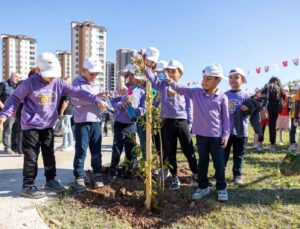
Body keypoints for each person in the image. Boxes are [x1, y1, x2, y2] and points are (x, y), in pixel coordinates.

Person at [0, 52, 107, 199]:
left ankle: (51, 180)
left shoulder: (58, 82)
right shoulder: (29, 83)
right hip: (31, 125)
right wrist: (4, 115)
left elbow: (77, 92)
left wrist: (95, 98)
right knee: (31, 156)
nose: (51, 78)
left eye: (53, 74)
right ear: (40, 70)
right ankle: (28, 185)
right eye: (48, 75)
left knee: (49, 154)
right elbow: (15, 98)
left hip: (47, 125)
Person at [166, 63, 230, 201]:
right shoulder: (196, 93)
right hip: (201, 136)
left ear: (217, 80)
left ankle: (221, 187)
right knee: (202, 163)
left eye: (208, 79)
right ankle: (203, 187)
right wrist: (169, 80)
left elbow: (226, 119)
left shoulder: (222, 97)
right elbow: (179, 88)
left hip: (216, 137)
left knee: (219, 163)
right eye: (204, 78)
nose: (204, 81)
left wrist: (225, 135)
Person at [145, 60, 198, 191]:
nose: (170, 74)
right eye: (168, 71)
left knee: (189, 150)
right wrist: (146, 65)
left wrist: (190, 123)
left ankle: (196, 175)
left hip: (181, 121)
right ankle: (174, 177)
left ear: (180, 73)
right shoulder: (161, 85)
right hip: (166, 122)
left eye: (173, 71)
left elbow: (188, 106)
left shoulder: (184, 87)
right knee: (170, 152)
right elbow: (150, 76)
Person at [72, 57, 107, 192]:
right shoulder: (77, 82)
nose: (94, 76)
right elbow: (75, 100)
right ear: (84, 70)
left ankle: (97, 174)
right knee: (81, 151)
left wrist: (102, 98)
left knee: (96, 151)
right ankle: (79, 177)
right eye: (92, 73)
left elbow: (100, 100)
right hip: (82, 122)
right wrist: (95, 99)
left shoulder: (97, 84)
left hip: (96, 121)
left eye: (96, 74)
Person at [109, 64, 146, 180]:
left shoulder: (141, 92)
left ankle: (129, 171)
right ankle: (113, 171)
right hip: (119, 124)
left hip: (131, 124)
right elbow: (114, 101)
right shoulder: (121, 88)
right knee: (117, 148)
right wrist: (121, 105)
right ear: (129, 75)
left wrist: (135, 111)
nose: (138, 79)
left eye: (140, 77)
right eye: (135, 76)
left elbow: (143, 109)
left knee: (131, 149)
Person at [224, 67, 249, 185]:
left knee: (238, 155)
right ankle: (220, 173)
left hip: (241, 131)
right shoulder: (224, 95)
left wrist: (248, 108)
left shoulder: (246, 96)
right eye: (231, 77)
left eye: (237, 77)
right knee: (223, 154)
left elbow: (253, 109)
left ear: (242, 80)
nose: (233, 80)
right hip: (226, 132)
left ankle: (237, 175)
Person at [257, 77, 286, 151]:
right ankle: (272, 145)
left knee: (262, 126)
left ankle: (260, 144)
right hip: (275, 109)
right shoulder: (280, 88)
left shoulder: (267, 86)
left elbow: (259, 94)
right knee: (272, 127)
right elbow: (284, 98)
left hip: (266, 109)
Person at [0, 72, 20, 154]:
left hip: (16, 112)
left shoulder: (18, 87)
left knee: (16, 130)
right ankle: (7, 147)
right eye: (15, 76)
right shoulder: (3, 84)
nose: (17, 78)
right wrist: (4, 108)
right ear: (10, 77)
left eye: (18, 77)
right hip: (5, 112)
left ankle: (14, 147)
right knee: (8, 129)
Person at [56, 78, 74, 151]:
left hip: (67, 112)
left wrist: (61, 112)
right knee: (65, 128)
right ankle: (65, 144)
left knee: (67, 129)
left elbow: (65, 102)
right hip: (66, 112)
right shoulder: (65, 90)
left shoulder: (67, 91)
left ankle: (69, 145)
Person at [288, 84, 300, 151]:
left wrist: (291, 113)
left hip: (294, 116)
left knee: (293, 130)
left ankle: (293, 144)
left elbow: (293, 106)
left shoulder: (295, 97)